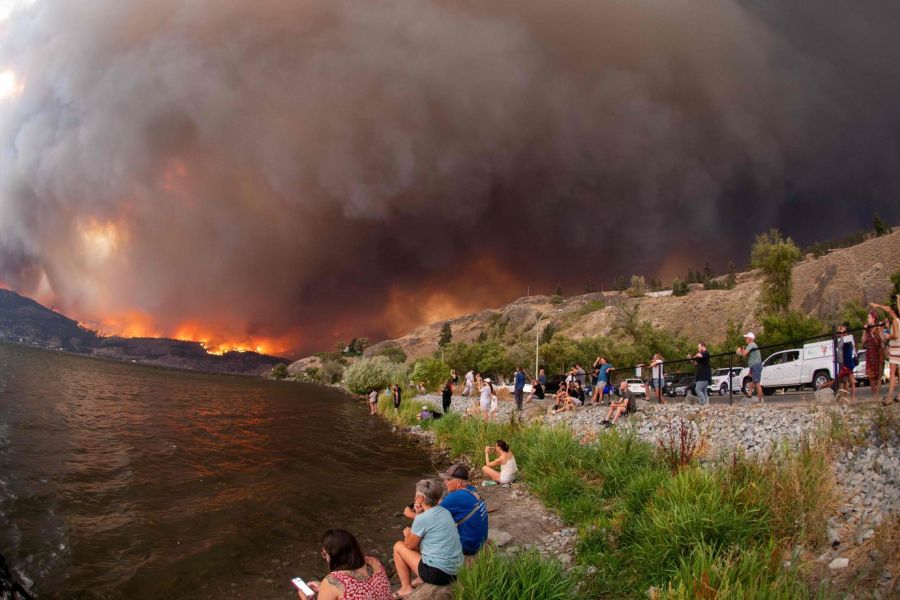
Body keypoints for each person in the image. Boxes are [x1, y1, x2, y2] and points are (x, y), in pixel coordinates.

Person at [393, 480, 464, 597]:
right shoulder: (445, 511)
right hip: (456, 569)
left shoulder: (422, 519)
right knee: (425, 541)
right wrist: (419, 513)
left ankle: (406, 588)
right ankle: (420, 578)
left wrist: (407, 534)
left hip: (440, 574)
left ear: (420, 498)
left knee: (398, 546)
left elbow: (409, 545)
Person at [402, 465, 489, 556]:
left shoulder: (455, 497)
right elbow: (444, 505)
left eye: (448, 479)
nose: (445, 482)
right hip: (480, 541)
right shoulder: (470, 490)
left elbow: (430, 518)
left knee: (419, 539)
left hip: (468, 546)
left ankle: (423, 560)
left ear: (458, 482)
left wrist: (410, 514)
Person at [297, 529, 392, 600]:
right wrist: (324, 587)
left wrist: (305, 598)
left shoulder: (333, 580)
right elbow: (364, 589)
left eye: (325, 554)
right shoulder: (373, 562)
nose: (325, 558)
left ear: (334, 556)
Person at [871, 297, 900, 405]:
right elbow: (889, 308)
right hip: (898, 348)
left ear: (892, 311)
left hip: (895, 349)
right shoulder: (898, 319)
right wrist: (878, 305)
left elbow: (896, 335)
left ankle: (889, 396)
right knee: (898, 373)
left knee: (892, 374)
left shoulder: (895, 321)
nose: (888, 310)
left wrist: (888, 336)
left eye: (890, 310)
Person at [863, 310, 886, 402]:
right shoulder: (867, 329)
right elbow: (863, 341)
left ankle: (877, 395)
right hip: (870, 355)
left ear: (873, 318)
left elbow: (883, 339)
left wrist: (880, 329)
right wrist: (864, 331)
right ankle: (874, 395)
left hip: (879, 354)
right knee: (870, 376)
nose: (867, 319)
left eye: (869, 317)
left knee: (879, 376)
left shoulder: (878, 327)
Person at [737, 332, 763, 403]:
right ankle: (750, 393)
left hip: (756, 365)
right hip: (753, 366)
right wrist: (741, 351)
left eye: (747, 338)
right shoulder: (752, 345)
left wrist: (741, 349)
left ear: (750, 339)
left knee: (757, 384)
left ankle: (760, 402)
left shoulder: (751, 344)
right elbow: (745, 355)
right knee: (750, 378)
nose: (745, 339)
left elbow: (744, 354)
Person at [837, 323, 857, 402]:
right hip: (843, 363)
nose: (841, 332)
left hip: (848, 363)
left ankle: (852, 398)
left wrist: (842, 335)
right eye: (840, 331)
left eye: (843, 330)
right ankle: (844, 398)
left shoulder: (848, 338)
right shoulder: (841, 340)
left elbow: (849, 346)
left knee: (851, 381)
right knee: (844, 382)